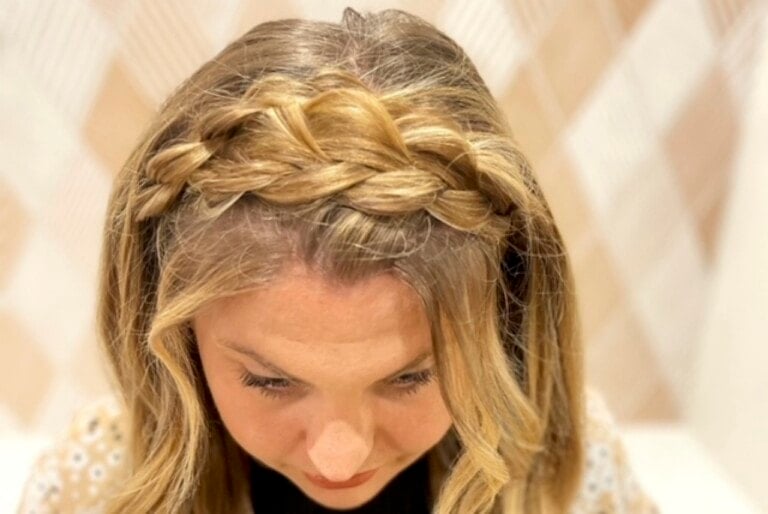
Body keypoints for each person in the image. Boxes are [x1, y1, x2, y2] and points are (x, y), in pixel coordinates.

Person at [17, 7, 658, 514]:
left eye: (410, 378)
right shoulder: (93, 489)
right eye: (270, 382)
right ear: (175, 333)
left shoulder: (573, 484)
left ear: (505, 316)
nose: (339, 458)